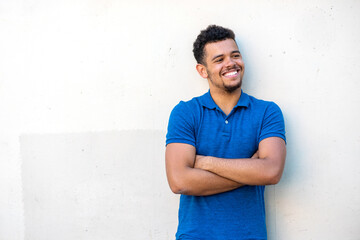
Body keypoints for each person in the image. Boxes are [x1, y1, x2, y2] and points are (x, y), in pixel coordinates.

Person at [165, 25, 286, 240]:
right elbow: (180, 181)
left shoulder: (267, 112)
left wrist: (205, 162)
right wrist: (250, 172)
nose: (230, 63)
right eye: (219, 59)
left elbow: (271, 172)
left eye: (235, 55)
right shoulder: (186, 113)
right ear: (203, 71)